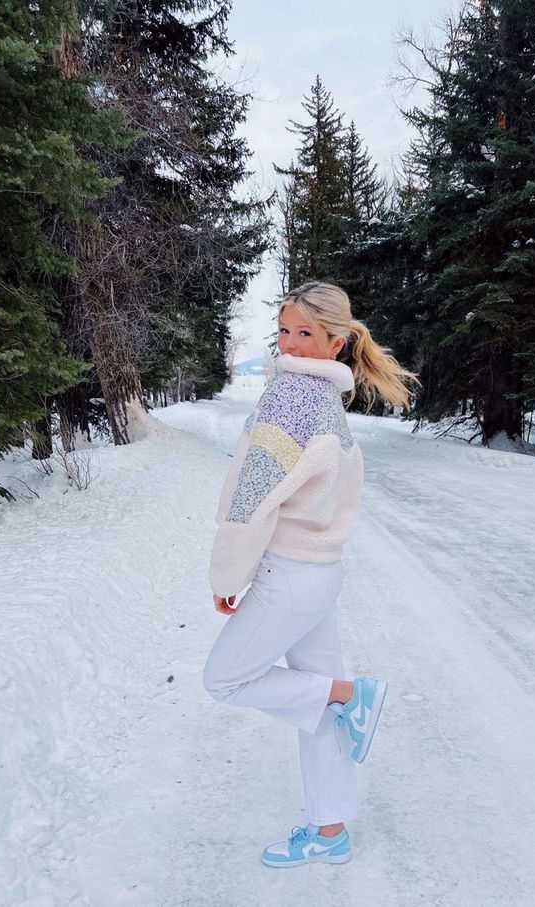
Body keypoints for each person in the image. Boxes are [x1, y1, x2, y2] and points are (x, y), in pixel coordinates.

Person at [202, 281, 420, 868]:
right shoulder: (325, 399)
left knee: (224, 679)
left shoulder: (290, 397)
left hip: (291, 573)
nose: (291, 343)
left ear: (337, 341)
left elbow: (253, 498)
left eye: (306, 333)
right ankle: (330, 832)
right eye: (284, 331)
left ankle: (354, 693)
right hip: (319, 573)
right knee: (322, 708)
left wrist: (228, 574)